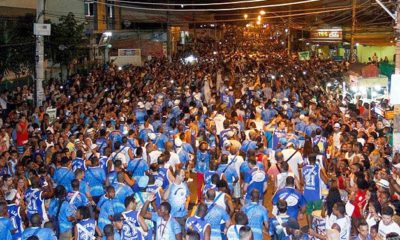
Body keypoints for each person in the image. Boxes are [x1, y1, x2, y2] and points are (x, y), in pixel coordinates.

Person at [164, 168, 190, 236]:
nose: (184, 177)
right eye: (182, 175)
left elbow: (188, 196)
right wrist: (169, 187)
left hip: (184, 215)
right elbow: (164, 197)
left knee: (184, 234)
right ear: (177, 176)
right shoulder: (170, 186)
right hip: (174, 216)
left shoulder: (185, 185)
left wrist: (187, 204)